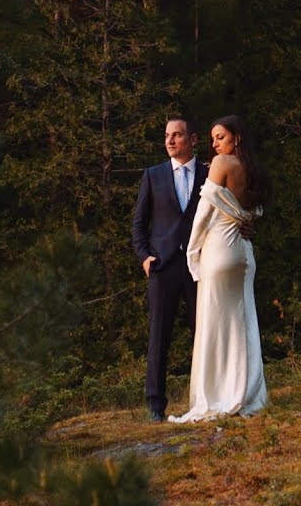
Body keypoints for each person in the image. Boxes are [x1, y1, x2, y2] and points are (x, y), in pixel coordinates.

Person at [169, 115, 270, 423]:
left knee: (213, 325)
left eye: (220, 137)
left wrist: (193, 251)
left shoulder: (221, 164)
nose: (214, 144)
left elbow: (202, 214)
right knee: (243, 324)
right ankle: (247, 393)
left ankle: (215, 395)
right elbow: (254, 213)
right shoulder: (253, 171)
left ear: (236, 138)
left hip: (220, 251)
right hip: (243, 254)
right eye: (213, 138)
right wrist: (248, 224)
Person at [132, 117, 207, 422]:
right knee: (159, 337)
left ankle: (205, 399)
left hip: (199, 266)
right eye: (167, 135)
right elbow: (139, 222)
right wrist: (144, 257)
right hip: (162, 267)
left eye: (177, 135)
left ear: (193, 139)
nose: (170, 140)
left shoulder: (208, 173)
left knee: (202, 335)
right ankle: (154, 406)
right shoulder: (153, 175)